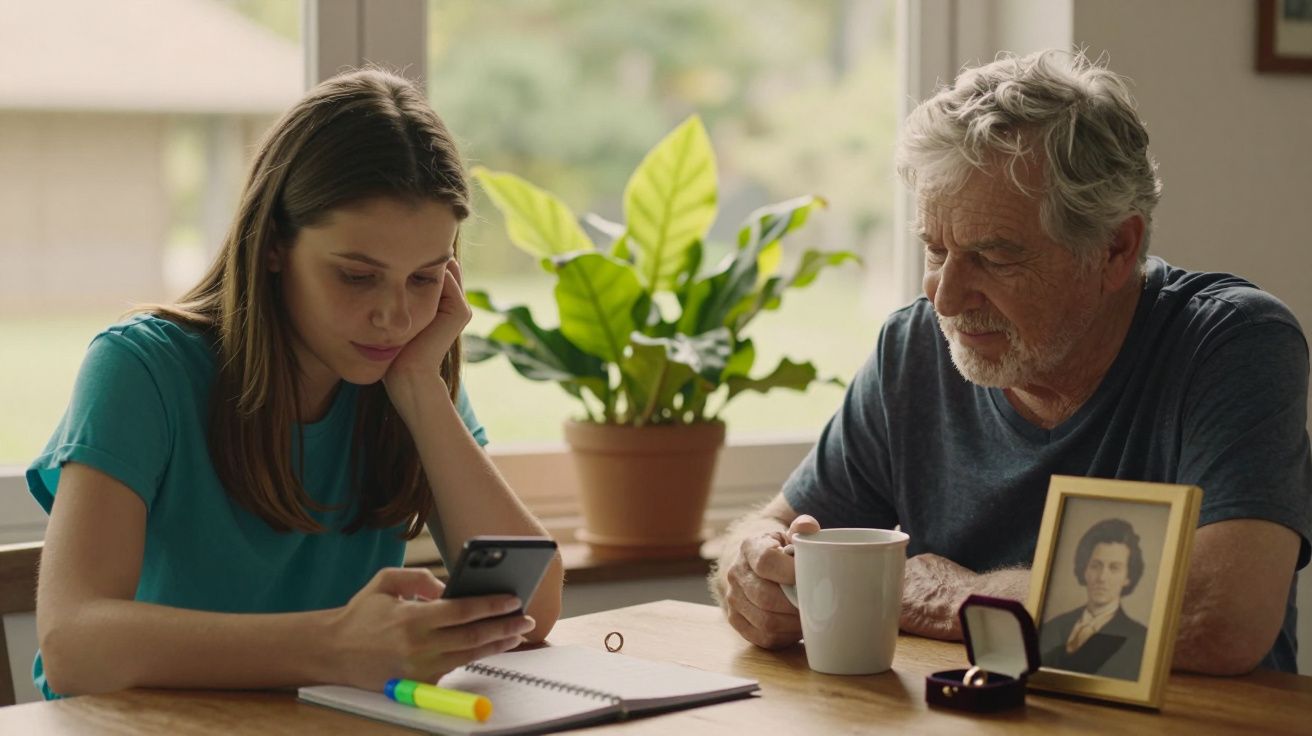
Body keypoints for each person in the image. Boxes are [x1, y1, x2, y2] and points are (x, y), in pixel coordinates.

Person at [710, 50, 1311, 675]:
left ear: (1114, 248)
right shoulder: (914, 347)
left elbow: (1221, 617)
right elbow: (778, 530)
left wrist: (949, 597)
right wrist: (752, 569)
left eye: (993, 259)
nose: (945, 297)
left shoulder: (1233, 342)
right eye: (936, 250)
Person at [26, 69, 564, 699]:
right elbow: (73, 646)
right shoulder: (143, 370)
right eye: (357, 277)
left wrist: (421, 389)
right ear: (275, 244)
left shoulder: (400, 369)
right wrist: (337, 646)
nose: (393, 316)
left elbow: (535, 607)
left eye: (423, 279)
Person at [1039, 519, 1147, 680]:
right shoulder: (1052, 627)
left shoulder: (1140, 640)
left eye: (1114, 568)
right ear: (1084, 570)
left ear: (1128, 577)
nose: (1102, 577)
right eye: (1096, 566)